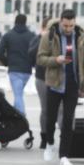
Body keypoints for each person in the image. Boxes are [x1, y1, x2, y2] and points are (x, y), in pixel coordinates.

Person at [37, 9, 84, 165]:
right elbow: (40, 58)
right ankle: (50, 143)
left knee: (68, 120)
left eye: (71, 26)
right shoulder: (50, 36)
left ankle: (64, 155)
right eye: (65, 26)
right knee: (51, 118)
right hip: (55, 83)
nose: (68, 29)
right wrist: (56, 60)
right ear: (61, 22)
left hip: (73, 83)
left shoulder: (81, 38)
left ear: (75, 23)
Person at [0, 14, 36, 115]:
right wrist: (32, 64)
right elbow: (36, 53)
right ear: (25, 22)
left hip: (14, 70)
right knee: (19, 94)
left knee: (18, 95)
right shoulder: (32, 36)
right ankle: (15, 115)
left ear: (15, 21)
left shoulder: (8, 35)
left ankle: (21, 115)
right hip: (27, 71)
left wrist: (7, 63)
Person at [29, 17, 56, 149]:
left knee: (59, 110)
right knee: (45, 109)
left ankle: (60, 138)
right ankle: (44, 137)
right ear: (44, 28)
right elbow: (31, 53)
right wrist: (41, 37)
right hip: (41, 77)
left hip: (57, 78)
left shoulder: (59, 39)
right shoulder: (38, 38)